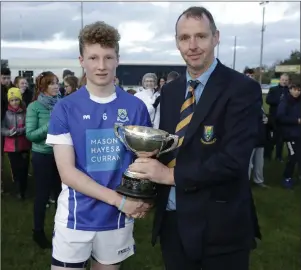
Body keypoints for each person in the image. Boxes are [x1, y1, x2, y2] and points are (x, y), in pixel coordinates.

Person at [129, 6, 262, 270]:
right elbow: (169, 149)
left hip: (220, 229)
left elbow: (233, 161)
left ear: (216, 37)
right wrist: (146, 185)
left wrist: (169, 177)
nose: (192, 45)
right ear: (177, 42)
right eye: (184, 38)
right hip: (173, 222)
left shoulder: (242, 89)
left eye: (201, 36)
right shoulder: (170, 92)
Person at [46, 21, 151, 270]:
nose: (101, 66)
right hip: (75, 217)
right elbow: (67, 173)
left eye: (108, 57)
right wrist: (119, 201)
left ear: (117, 59)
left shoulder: (136, 107)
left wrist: (144, 198)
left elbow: (143, 163)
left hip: (117, 219)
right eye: (93, 57)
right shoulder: (65, 108)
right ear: (82, 60)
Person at [26, 71, 62, 249]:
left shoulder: (62, 103)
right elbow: (31, 135)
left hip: (62, 154)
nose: (56, 86)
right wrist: (51, 124)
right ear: (42, 87)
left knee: (61, 196)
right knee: (42, 195)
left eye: (57, 82)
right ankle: (38, 232)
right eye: (51, 83)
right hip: (43, 155)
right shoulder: (34, 107)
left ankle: (61, 232)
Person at [1, 87, 31, 199]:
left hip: (24, 145)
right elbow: (2, 128)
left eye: (16, 99)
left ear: (20, 99)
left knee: (24, 168)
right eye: (12, 100)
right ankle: (18, 190)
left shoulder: (25, 112)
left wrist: (20, 131)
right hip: (11, 147)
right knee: (15, 169)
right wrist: (9, 132)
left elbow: (29, 125)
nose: (14, 102)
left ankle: (24, 189)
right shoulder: (5, 113)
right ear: (9, 101)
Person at [277, 84, 301, 189]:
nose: (297, 92)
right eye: (295, 89)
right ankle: (286, 178)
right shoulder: (285, 101)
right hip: (290, 134)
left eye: (299, 90)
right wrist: (296, 121)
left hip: (299, 133)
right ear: (290, 89)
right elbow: (280, 117)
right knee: (293, 156)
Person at [265, 73, 290, 161]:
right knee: (271, 138)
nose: (284, 82)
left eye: (286, 80)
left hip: (284, 119)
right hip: (273, 117)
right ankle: (267, 155)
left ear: (288, 81)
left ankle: (278, 156)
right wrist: (280, 101)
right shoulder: (273, 89)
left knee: (281, 139)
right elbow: (268, 100)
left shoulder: (290, 91)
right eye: (283, 80)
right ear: (280, 80)